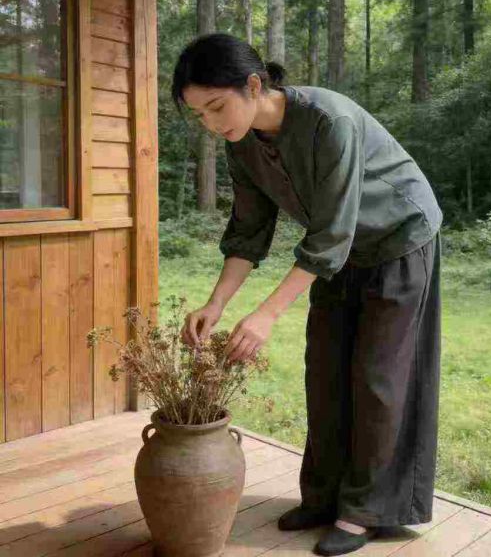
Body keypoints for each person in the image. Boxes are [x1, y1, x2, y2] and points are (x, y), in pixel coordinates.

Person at [172, 32, 443, 557]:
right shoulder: (242, 142)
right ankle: (323, 498)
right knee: (324, 372)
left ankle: (365, 511)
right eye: (200, 114)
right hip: (336, 253)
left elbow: (331, 232)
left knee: (379, 379)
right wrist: (216, 304)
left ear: (254, 85)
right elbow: (249, 231)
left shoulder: (329, 120)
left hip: (399, 239)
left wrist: (267, 313)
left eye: (217, 106)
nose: (212, 123)